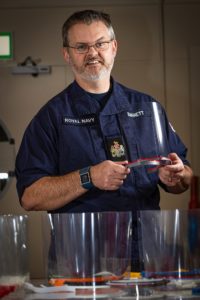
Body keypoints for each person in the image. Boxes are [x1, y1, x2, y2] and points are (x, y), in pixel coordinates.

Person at [15, 9, 193, 272]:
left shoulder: (148, 108)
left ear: (114, 47)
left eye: (100, 43)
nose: (92, 53)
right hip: (82, 264)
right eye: (81, 46)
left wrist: (177, 176)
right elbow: (30, 196)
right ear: (67, 54)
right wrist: (88, 177)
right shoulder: (51, 118)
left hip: (148, 258)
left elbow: (186, 177)